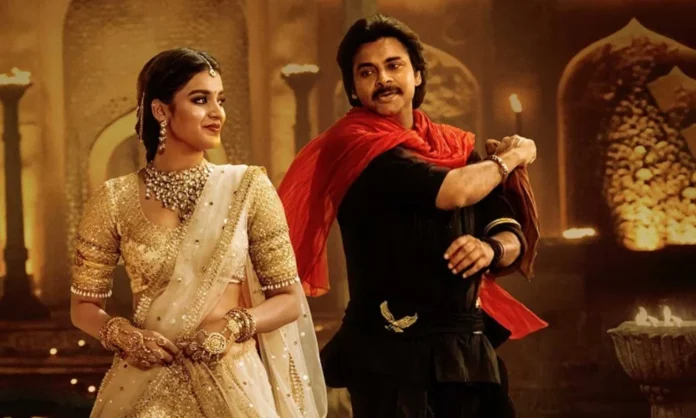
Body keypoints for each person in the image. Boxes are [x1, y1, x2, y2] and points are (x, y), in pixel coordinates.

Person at [277, 14, 547, 417]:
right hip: (391, 353)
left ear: (417, 75)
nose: (383, 79)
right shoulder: (354, 146)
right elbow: (453, 192)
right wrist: (513, 156)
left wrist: (491, 249)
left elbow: (510, 231)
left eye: (394, 65)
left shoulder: (454, 148)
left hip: (465, 351)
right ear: (353, 88)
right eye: (367, 72)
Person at [70, 48, 327, 418]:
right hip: (144, 384)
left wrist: (234, 324)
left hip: (234, 384)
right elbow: (83, 307)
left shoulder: (248, 187)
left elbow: (289, 299)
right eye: (200, 99)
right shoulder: (114, 199)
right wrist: (125, 336)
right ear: (161, 110)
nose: (217, 112)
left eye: (220, 100)